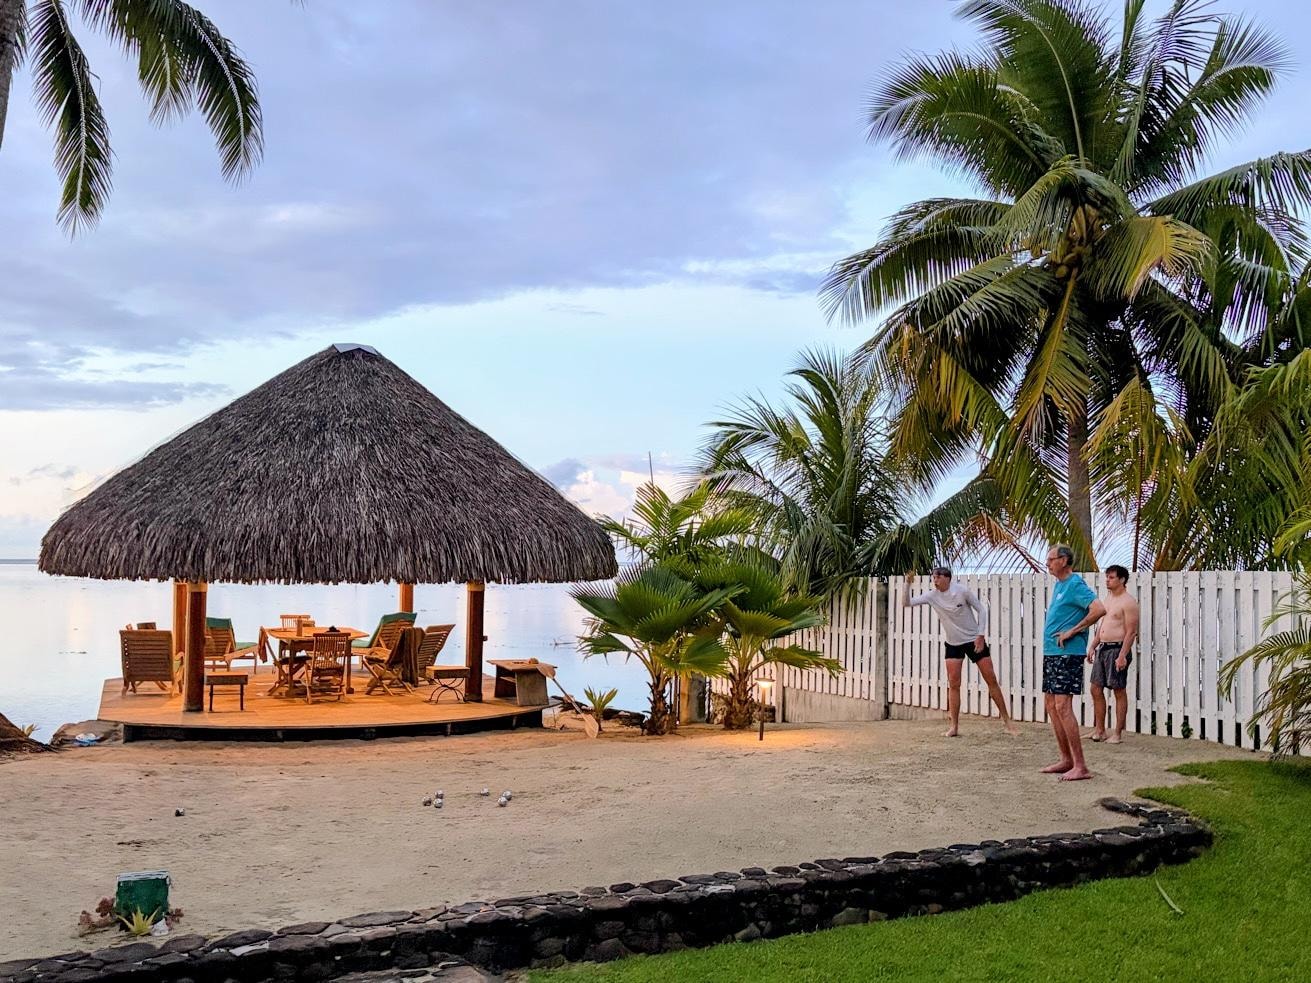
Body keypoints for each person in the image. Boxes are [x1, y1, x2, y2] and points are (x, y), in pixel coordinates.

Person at [903, 567, 1020, 737]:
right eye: (933, 578)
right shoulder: (932, 596)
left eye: (938, 577)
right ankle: (954, 726)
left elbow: (981, 610)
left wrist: (980, 635)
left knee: (991, 678)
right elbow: (907, 603)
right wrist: (907, 583)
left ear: (947, 578)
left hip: (973, 640)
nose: (934, 581)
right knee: (954, 684)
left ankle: (1007, 722)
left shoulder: (962, 591)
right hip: (953, 643)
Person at [1041, 544, 1104, 781]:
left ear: (1064, 560)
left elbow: (1099, 609)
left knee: (1062, 706)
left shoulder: (1075, 584)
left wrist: (1072, 631)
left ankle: (1081, 766)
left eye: (1051, 559)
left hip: (1068, 653)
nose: (1047, 563)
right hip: (1053, 652)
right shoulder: (1060, 585)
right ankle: (1066, 759)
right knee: (1051, 704)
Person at [1062, 564, 1139, 744]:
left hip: (1117, 649)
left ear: (1122, 580)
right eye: (1107, 577)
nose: (1107, 580)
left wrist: (1122, 655)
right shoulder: (1108, 599)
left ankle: (1118, 733)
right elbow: (1102, 626)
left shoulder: (1128, 602)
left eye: (1111, 577)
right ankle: (1100, 730)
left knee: (1118, 690)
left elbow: (1131, 632)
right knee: (1095, 688)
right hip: (1103, 648)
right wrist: (1093, 646)